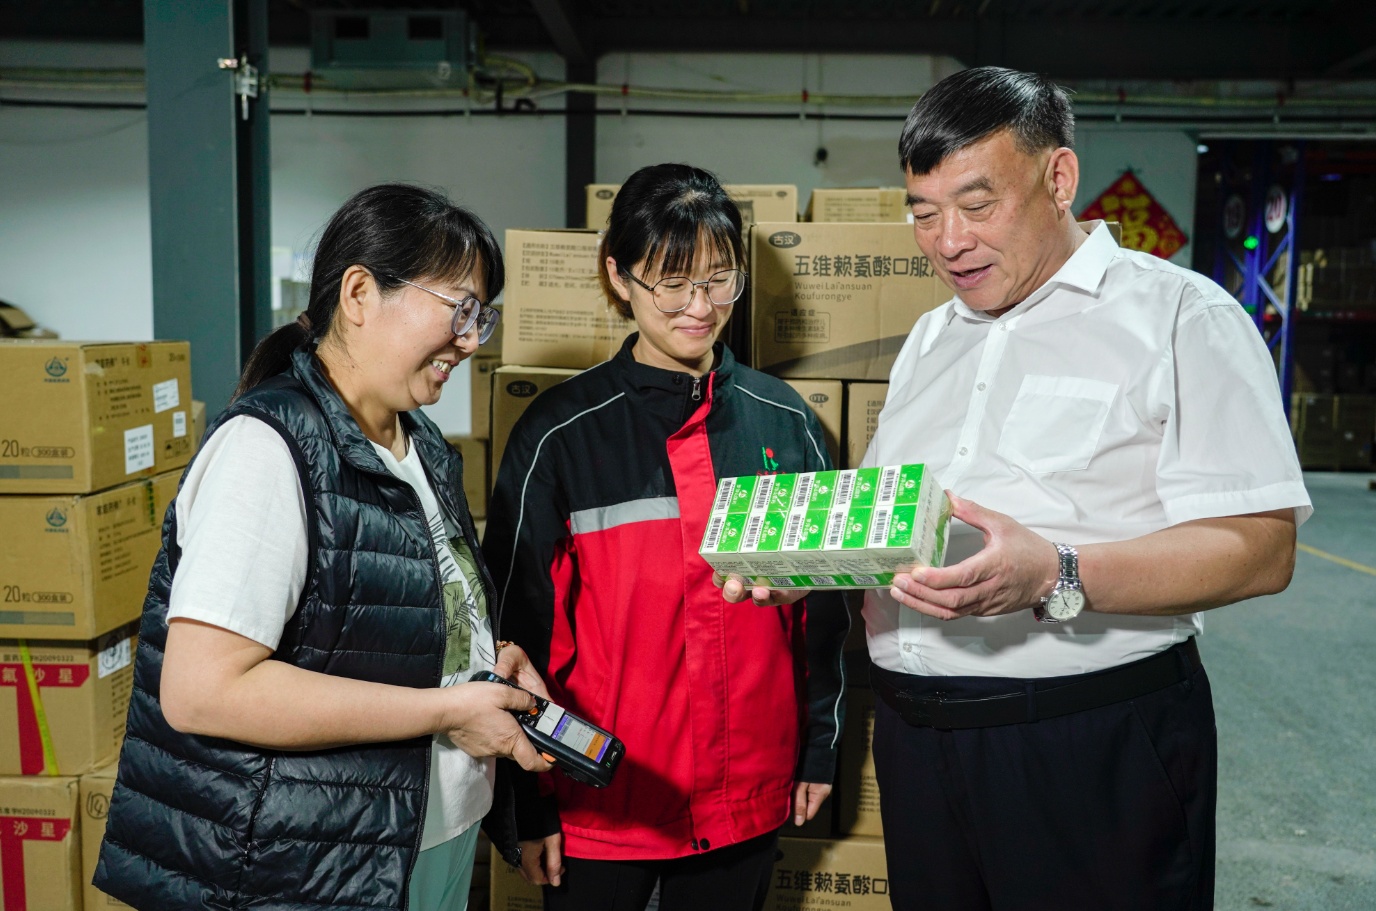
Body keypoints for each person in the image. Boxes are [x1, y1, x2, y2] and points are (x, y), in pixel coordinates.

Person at [724, 67, 1311, 910]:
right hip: (919, 746)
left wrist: (1056, 571)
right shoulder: (931, 336)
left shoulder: (1180, 317)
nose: (947, 241)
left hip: (1084, 745)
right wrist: (806, 563)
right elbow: (904, 524)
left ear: (1058, 177)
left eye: (976, 204)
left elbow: (1262, 548)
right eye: (924, 213)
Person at [94, 183, 554, 911]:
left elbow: (375, 623)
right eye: (459, 309)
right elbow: (202, 691)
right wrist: (446, 709)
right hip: (309, 860)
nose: (471, 340)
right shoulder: (266, 450)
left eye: (481, 317)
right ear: (361, 293)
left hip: (423, 830)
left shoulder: (421, 443)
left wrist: (481, 659)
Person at [483, 163, 849, 911]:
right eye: (672, 283)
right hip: (600, 796)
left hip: (745, 787)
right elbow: (515, 630)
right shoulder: (559, 434)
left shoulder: (787, 424)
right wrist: (527, 802)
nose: (700, 307)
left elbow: (822, 612)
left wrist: (820, 747)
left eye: (719, 280)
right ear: (619, 276)